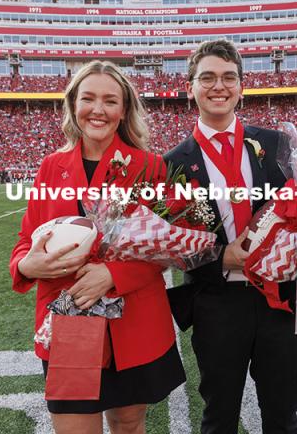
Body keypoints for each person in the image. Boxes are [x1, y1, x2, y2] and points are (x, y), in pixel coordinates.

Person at [10, 60, 185, 434]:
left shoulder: (151, 167)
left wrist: (113, 274)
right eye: (88, 98)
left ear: (123, 111)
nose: (98, 109)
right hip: (68, 320)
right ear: (74, 105)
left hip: (133, 322)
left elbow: (169, 248)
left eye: (110, 100)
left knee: (128, 423)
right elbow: (25, 241)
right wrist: (26, 266)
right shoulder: (50, 167)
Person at [164, 39, 297, 434]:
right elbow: (168, 243)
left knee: (282, 415)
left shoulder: (278, 144)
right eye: (207, 77)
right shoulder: (171, 164)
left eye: (228, 77)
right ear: (190, 86)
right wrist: (221, 256)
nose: (218, 86)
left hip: (279, 301)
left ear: (242, 86)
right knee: (219, 416)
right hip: (216, 303)